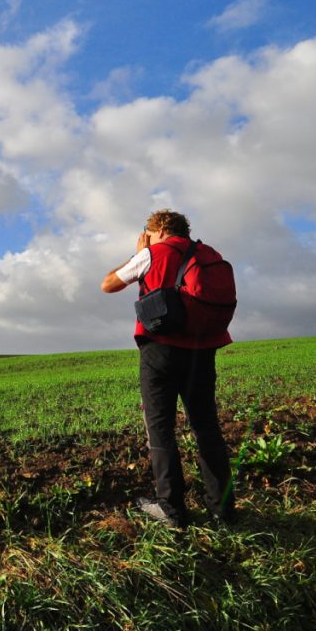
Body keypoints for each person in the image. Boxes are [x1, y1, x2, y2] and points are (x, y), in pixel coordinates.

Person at [100, 209, 235, 528]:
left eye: (148, 233)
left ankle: (171, 509)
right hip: (202, 351)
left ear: (159, 229)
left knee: (160, 427)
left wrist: (138, 253)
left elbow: (108, 284)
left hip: (160, 349)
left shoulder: (153, 252)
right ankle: (223, 511)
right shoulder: (208, 254)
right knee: (206, 427)